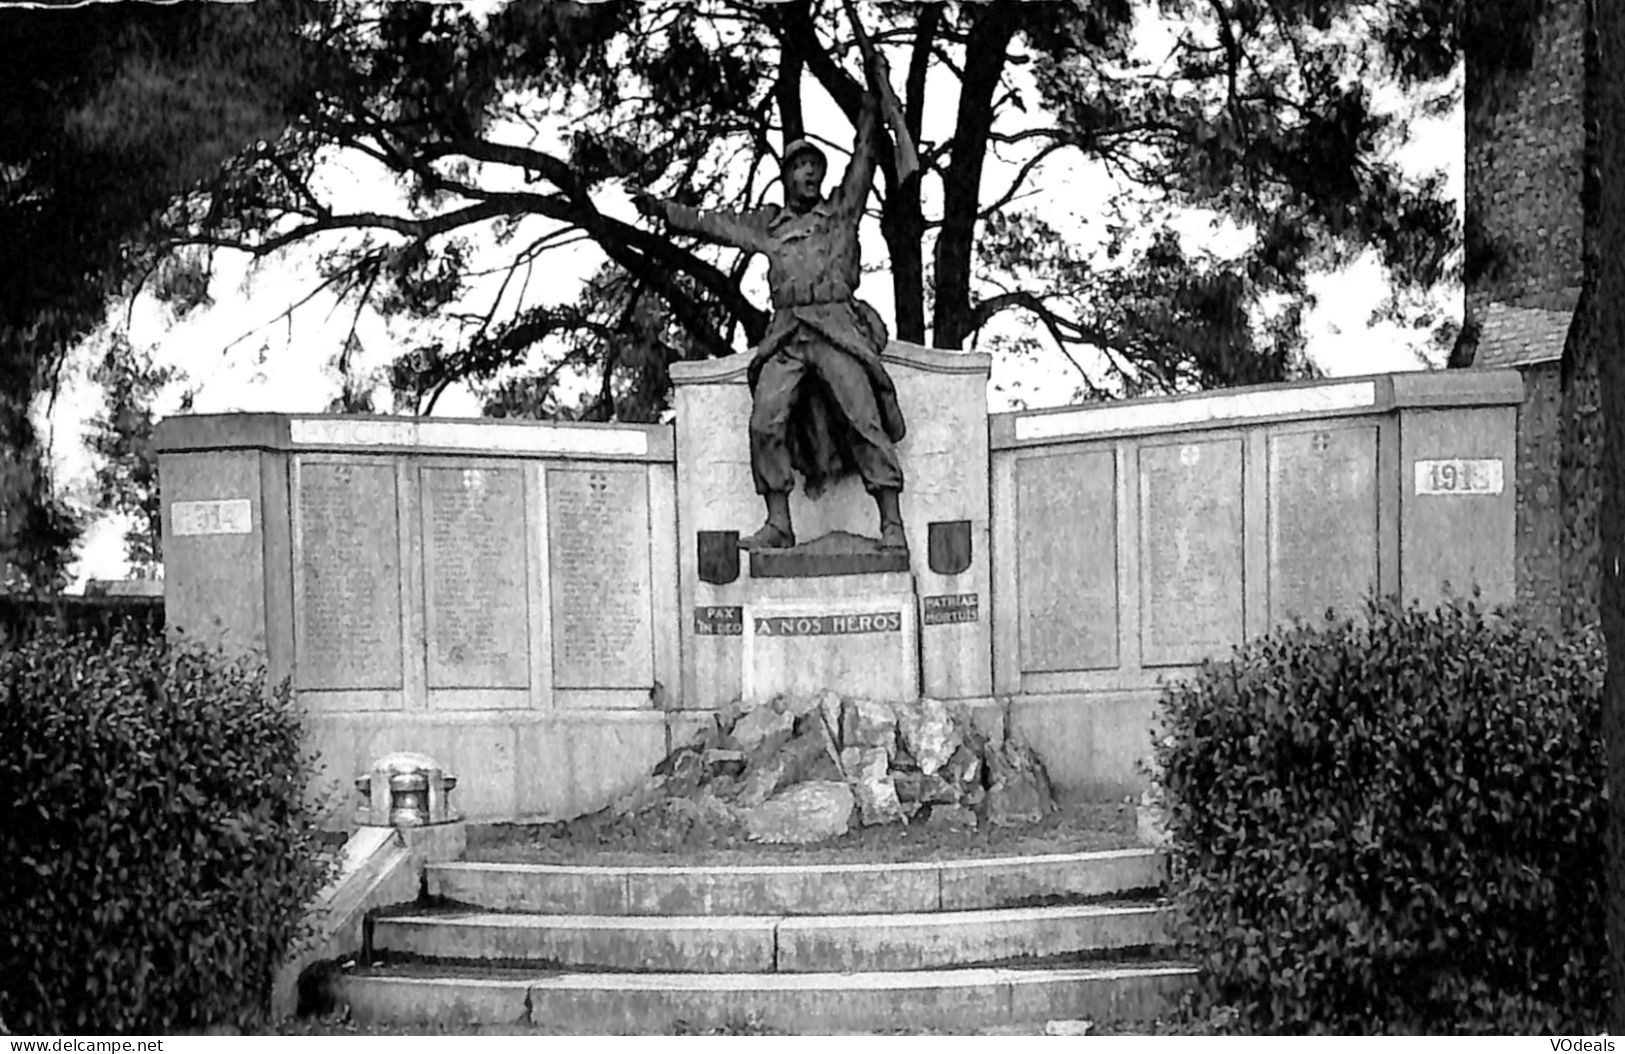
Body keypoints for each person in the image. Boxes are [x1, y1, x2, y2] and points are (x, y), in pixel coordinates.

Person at [632, 89, 907, 552]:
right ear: (786, 176)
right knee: (764, 421)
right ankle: (779, 523)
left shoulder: (840, 213)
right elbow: (712, 223)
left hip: (836, 326)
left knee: (864, 418)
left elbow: (865, 155)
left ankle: (892, 526)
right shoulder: (769, 225)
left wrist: (872, 104)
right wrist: (664, 211)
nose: (809, 174)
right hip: (788, 334)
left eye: (815, 167)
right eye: (800, 167)